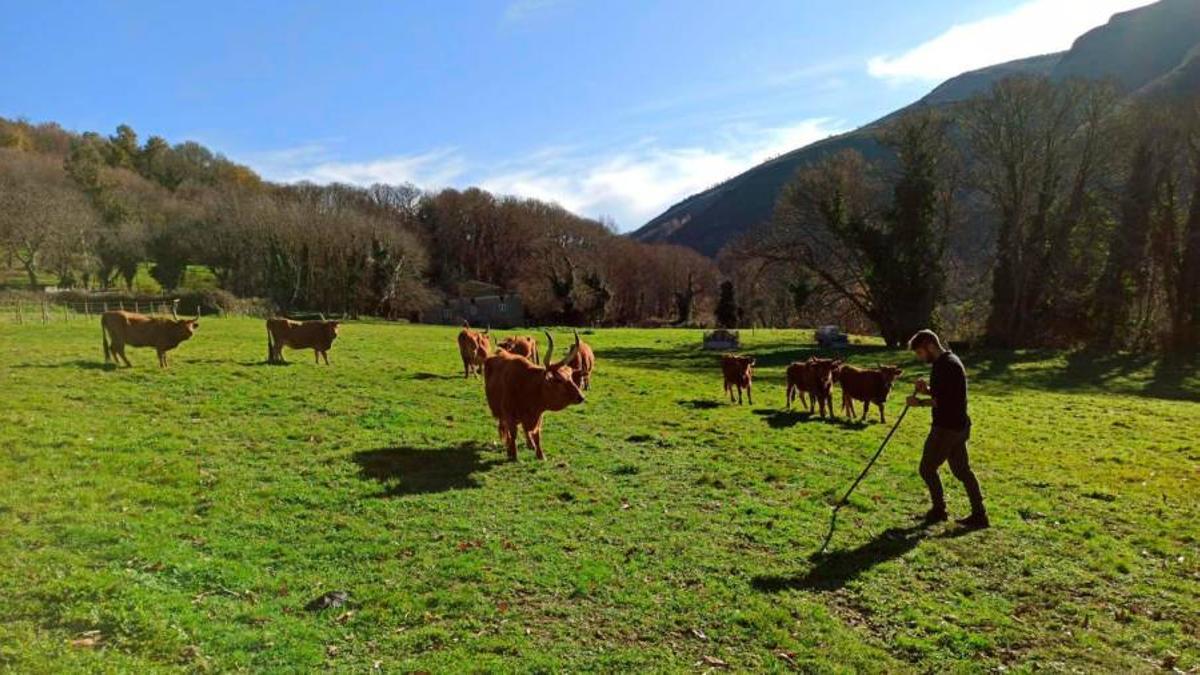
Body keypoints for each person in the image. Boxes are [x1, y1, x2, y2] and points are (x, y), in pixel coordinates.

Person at [906, 329, 989, 529]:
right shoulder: (946, 362)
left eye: (920, 352)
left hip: (947, 428)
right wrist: (926, 390)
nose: (920, 357)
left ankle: (939, 510)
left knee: (927, 469)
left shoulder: (947, 366)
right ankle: (980, 515)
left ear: (930, 346)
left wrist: (919, 402)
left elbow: (942, 401)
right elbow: (943, 392)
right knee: (962, 470)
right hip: (959, 426)